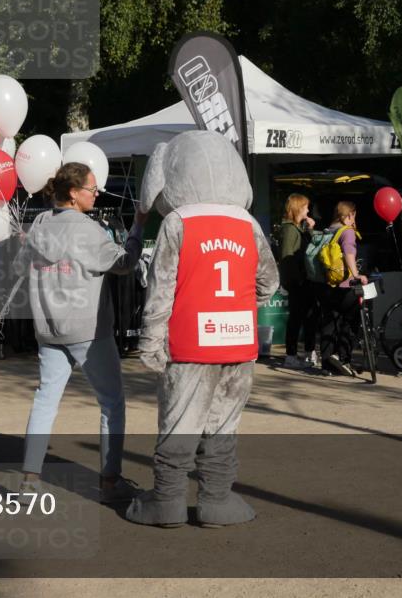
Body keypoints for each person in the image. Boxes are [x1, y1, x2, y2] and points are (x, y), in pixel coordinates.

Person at [125, 131, 279, 528]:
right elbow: (269, 282)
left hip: (189, 344)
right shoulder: (247, 223)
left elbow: (160, 290)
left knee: (180, 425)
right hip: (238, 344)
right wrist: (241, 307)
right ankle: (216, 499)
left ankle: (168, 501)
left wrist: (151, 341)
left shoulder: (177, 222)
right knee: (223, 426)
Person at [16, 162, 147, 503]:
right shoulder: (88, 230)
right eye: (92, 188)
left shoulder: (40, 224)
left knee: (45, 401)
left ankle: (30, 481)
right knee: (112, 403)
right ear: (74, 193)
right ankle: (110, 482)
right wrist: (137, 227)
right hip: (89, 329)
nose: (97, 193)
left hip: (49, 328)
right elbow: (125, 263)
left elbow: (21, 265)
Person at [320, 201, 368, 377]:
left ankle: (326, 364)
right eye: (354, 216)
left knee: (330, 323)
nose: (354, 219)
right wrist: (356, 275)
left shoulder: (328, 230)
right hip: (344, 285)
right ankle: (344, 359)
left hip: (327, 284)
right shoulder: (347, 232)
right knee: (350, 321)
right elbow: (349, 253)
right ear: (349, 215)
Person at [278, 193, 320, 369]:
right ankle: (291, 355)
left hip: (303, 281)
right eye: (305, 207)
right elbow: (287, 257)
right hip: (298, 282)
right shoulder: (289, 229)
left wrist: (310, 229)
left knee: (309, 317)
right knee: (297, 318)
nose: (308, 210)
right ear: (298, 208)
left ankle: (308, 352)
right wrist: (294, 281)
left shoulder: (297, 228)